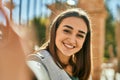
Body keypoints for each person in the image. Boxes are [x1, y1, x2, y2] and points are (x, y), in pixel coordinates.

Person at [26, 8, 92, 80]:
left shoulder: (80, 68)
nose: (72, 40)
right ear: (55, 30)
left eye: (80, 35)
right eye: (67, 31)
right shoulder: (38, 62)